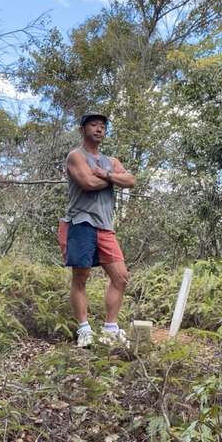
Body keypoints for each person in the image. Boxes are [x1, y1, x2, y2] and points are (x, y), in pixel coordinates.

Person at [57, 113, 135, 347]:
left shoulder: (110, 161)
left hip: (105, 226)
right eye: (94, 125)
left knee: (120, 277)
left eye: (102, 126)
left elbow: (131, 181)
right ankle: (84, 329)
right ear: (83, 130)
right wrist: (114, 179)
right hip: (81, 222)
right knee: (81, 277)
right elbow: (88, 183)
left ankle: (110, 329)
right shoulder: (76, 156)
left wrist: (107, 174)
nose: (99, 129)